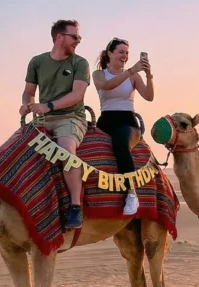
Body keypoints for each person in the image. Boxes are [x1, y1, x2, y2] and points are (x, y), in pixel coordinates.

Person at [19, 19, 91, 228]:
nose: (78, 41)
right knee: (5, 149)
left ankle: (75, 207)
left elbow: (77, 95)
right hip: (41, 118)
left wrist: (48, 106)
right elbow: (28, 92)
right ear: (59, 37)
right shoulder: (37, 62)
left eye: (79, 37)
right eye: (75, 37)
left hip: (70, 117)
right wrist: (27, 105)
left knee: (66, 152)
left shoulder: (80, 63)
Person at [92, 38, 154, 215]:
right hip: (105, 121)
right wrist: (131, 70)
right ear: (110, 53)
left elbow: (149, 96)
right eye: (121, 52)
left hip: (127, 121)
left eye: (127, 52)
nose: (125, 56)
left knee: (120, 144)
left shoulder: (134, 76)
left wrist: (148, 75)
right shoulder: (99, 75)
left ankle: (131, 194)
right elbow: (107, 86)